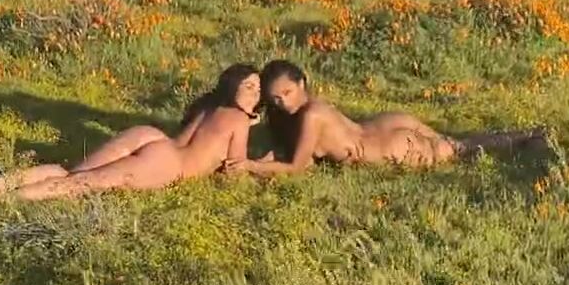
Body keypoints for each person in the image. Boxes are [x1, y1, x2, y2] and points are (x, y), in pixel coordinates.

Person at [0, 65, 261, 202]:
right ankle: (5, 200)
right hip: (167, 164)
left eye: (259, 90)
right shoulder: (239, 119)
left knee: (70, 173)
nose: (256, 94)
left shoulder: (207, 106)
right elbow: (234, 168)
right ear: (232, 87)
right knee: (79, 184)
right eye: (249, 87)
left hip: (151, 136)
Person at [229, 61, 544, 177]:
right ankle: (523, 134)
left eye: (287, 93)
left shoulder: (311, 116)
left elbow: (298, 167)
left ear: (301, 83)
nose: (283, 102)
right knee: (457, 144)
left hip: (390, 145)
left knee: (461, 150)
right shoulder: (312, 109)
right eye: (276, 99)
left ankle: (526, 138)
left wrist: (251, 166)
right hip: (382, 125)